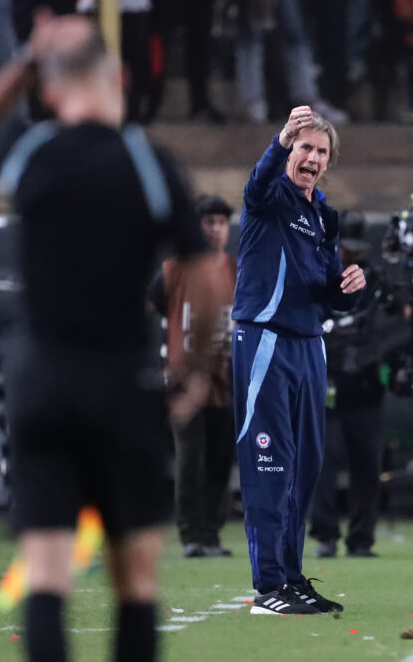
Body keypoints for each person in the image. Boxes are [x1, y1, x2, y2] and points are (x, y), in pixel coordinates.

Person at [0, 14, 219, 661]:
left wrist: (24, 60)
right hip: (124, 382)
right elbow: (207, 278)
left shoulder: (34, 151)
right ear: (120, 79)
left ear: (48, 91)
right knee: (135, 579)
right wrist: (193, 369)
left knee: (46, 571)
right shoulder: (147, 162)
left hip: (42, 381)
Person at [233, 105, 366, 616]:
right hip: (265, 340)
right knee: (270, 464)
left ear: (328, 162)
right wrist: (279, 139)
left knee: (304, 468)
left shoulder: (322, 217)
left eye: (321, 151)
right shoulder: (269, 197)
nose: (311, 157)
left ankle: (291, 578)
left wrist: (350, 287)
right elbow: (255, 186)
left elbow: (325, 292)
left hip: (309, 345)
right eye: (304, 147)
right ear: (291, 150)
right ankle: (268, 586)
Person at [150, 195, 238, 558]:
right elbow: (150, 307)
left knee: (220, 459)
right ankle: (191, 534)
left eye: (221, 222)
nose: (215, 229)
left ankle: (211, 533)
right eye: (208, 222)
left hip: (227, 380)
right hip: (185, 383)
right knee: (190, 459)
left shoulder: (237, 271)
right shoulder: (174, 271)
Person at [310, 211, 390, 559]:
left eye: (356, 250)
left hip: (364, 386)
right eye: (345, 248)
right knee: (322, 463)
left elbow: (398, 306)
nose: (350, 255)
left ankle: (361, 538)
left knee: (367, 465)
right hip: (326, 384)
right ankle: (325, 535)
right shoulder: (317, 274)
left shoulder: (373, 279)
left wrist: (409, 299)